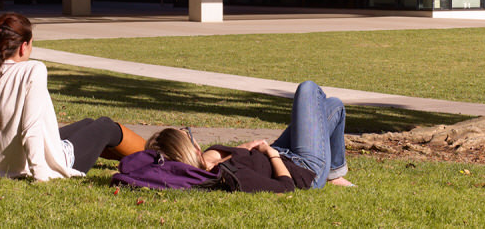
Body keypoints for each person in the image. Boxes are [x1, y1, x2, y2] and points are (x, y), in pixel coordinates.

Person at [0, 12, 141, 180]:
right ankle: (165, 155)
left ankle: (141, 158)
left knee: (87, 124)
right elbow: (30, 130)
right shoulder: (32, 70)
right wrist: (41, 176)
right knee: (105, 126)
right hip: (34, 164)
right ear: (24, 47)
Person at [125, 80, 352, 192]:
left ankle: (335, 172)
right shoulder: (228, 174)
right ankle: (330, 173)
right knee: (309, 89)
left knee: (333, 106)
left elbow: (134, 164)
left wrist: (245, 147)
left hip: (282, 152)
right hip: (303, 169)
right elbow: (286, 187)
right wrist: (269, 153)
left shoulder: (208, 158)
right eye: (189, 134)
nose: (194, 136)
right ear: (188, 148)